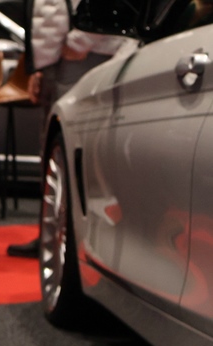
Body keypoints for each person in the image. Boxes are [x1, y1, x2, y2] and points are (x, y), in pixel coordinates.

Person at [7, 0, 133, 258]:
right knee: (54, 145)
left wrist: (80, 41)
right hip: (61, 56)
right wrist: (41, 65)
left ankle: (73, 238)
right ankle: (53, 233)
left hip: (85, 54)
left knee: (74, 146)